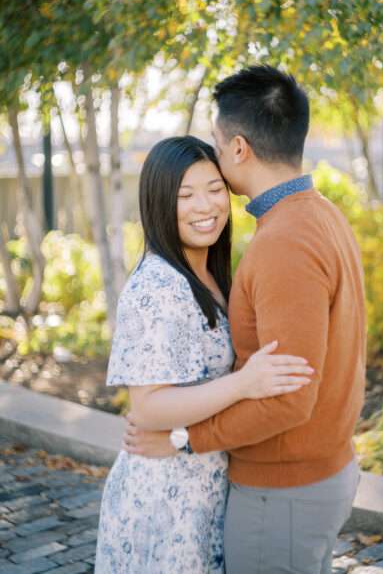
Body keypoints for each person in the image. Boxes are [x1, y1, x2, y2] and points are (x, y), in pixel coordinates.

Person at [125, 66, 367, 574]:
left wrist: (185, 440)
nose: (212, 154)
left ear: (238, 148)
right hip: (309, 479)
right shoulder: (316, 213)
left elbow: (288, 397)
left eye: (215, 141)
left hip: (282, 494)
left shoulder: (285, 241)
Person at [94, 136, 314, 574]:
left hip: (204, 485)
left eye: (215, 190)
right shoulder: (155, 288)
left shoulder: (210, 273)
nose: (205, 206)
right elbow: (149, 407)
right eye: (185, 195)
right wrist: (244, 382)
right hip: (164, 498)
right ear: (158, 203)